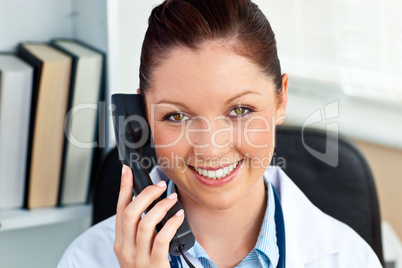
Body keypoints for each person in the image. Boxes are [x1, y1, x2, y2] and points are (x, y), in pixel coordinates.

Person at [58, 0, 383, 267]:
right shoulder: (87, 259)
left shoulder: (350, 259)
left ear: (281, 99)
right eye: (177, 116)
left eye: (240, 110)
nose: (211, 149)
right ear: (142, 117)